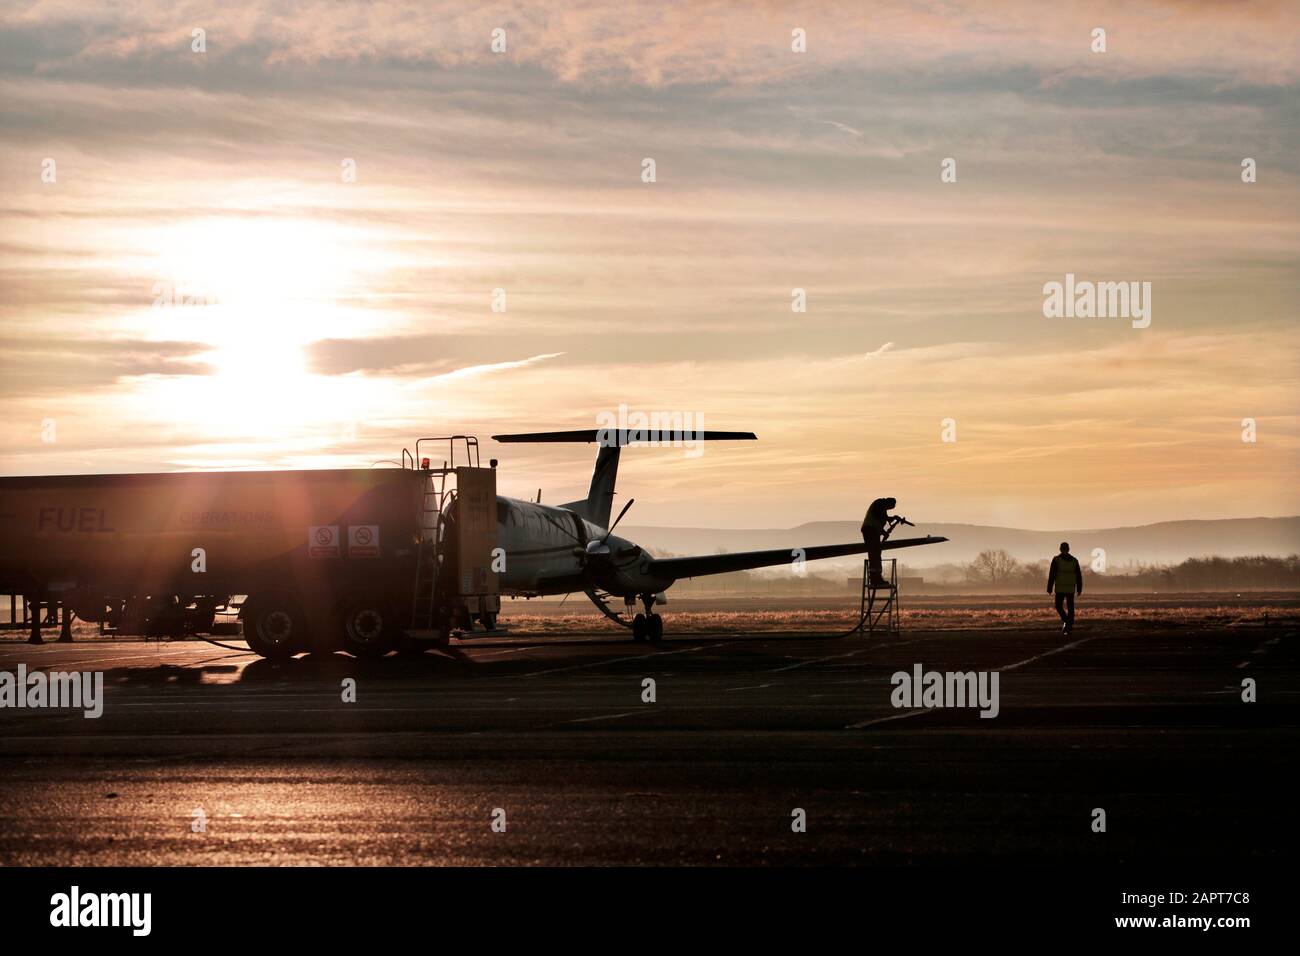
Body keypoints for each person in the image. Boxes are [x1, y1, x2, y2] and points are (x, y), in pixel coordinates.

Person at [1046, 541, 1083, 634]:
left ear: (1060, 549)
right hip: (1071, 588)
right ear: (1068, 549)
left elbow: (1052, 575)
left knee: (1058, 606)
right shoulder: (1074, 561)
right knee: (1070, 607)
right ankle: (1069, 624)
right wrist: (1079, 588)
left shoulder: (1056, 560)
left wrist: (1049, 587)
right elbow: (1079, 575)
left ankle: (1067, 621)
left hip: (1060, 588)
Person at [861, 497, 897, 588]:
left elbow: (877, 523)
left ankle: (876, 577)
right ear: (888, 503)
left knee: (876, 553)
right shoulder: (879, 503)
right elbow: (877, 515)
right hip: (869, 530)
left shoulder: (883, 510)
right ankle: (875, 578)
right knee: (874, 553)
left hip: (873, 530)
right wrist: (888, 518)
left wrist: (884, 532)